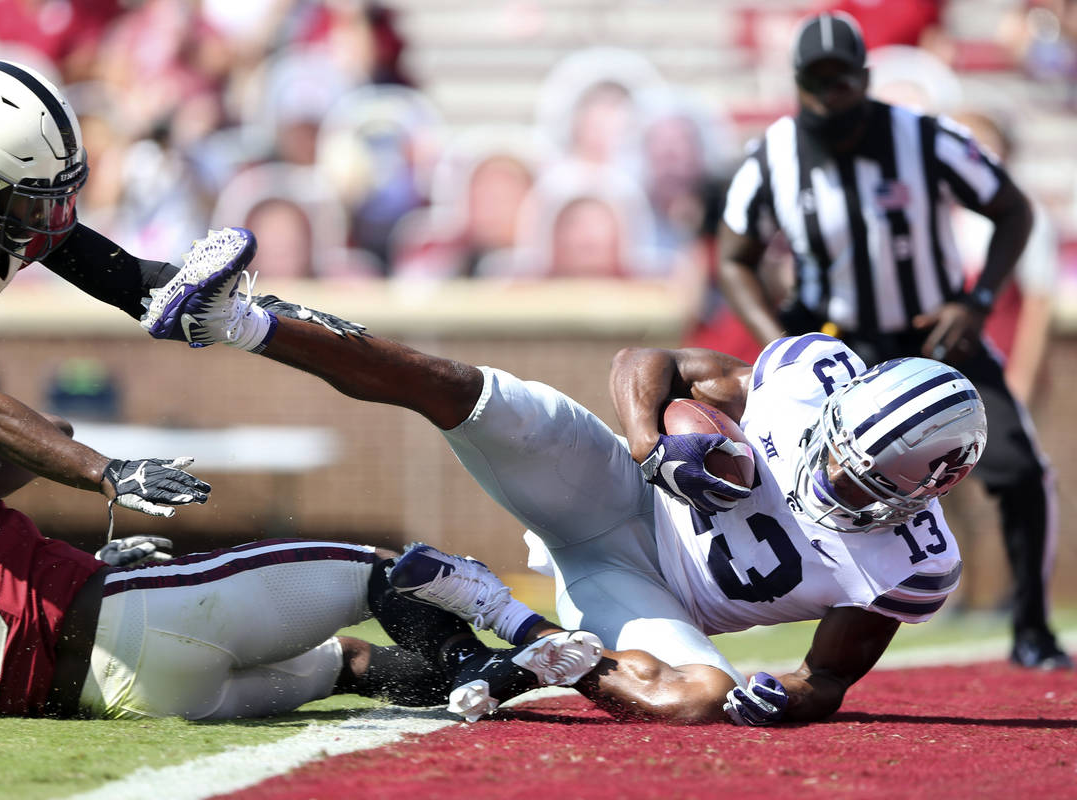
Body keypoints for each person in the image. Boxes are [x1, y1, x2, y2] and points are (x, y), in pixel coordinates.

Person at [139, 230, 992, 725]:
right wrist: (652, 443)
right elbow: (643, 360)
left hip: (647, 596)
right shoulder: (808, 381)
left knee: (697, 700)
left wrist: (780, 698)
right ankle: (242, 320)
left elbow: (826, 681)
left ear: (923, 491)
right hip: (617, 489)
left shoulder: (914, 563)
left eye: (856, 481)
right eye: (833, 447)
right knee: (462, 392)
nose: (827, 471)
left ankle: (499, 612)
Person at [715, 12, 1069, 670]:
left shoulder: (925, 137)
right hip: (833, 341)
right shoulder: (774, 154)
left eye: (841, 81)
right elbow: (733, 254)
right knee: (782, 470)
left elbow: (1011, 209)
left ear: (865, 79)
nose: (829, 97)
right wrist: (778, 341)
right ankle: (772, 602)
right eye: (815, 83)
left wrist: (978, 299)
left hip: (931, 334)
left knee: (1020, 471)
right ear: (796, 83)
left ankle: (1031, 628)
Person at [0, 415, 603, 719]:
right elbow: (34, 444)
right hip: (131, 613)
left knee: (349, 665)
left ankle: (496, 679)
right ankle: (487, 658)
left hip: (119, 701)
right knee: (379, 571)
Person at [0, 59, 353, 520]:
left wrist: (241, 313)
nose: (49, 218)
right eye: (29, 200)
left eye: (57, 195)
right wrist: (105, 471)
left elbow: (106, 269)